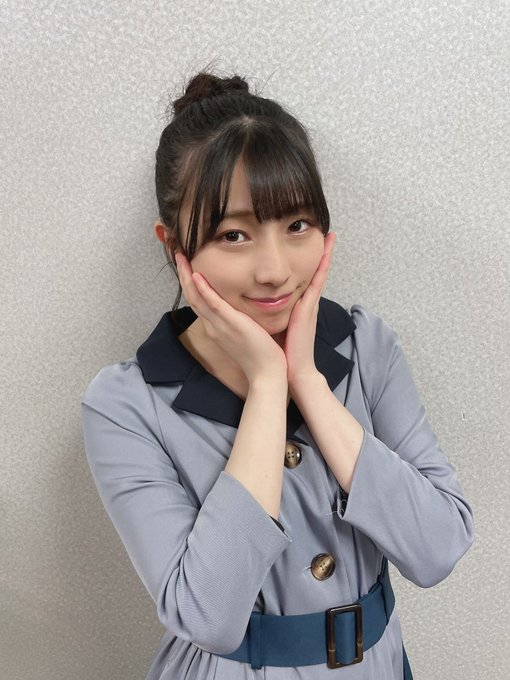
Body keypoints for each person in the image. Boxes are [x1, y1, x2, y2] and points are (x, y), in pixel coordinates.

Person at [80, 71, 474, 680]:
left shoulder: (367, 347)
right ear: (173, 246)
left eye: (296, 226)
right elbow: (207, 616)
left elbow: (439, 548)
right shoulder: (127, 405)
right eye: (233, 234)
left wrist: (308, 382)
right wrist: (268, 386)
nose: (274, 270)